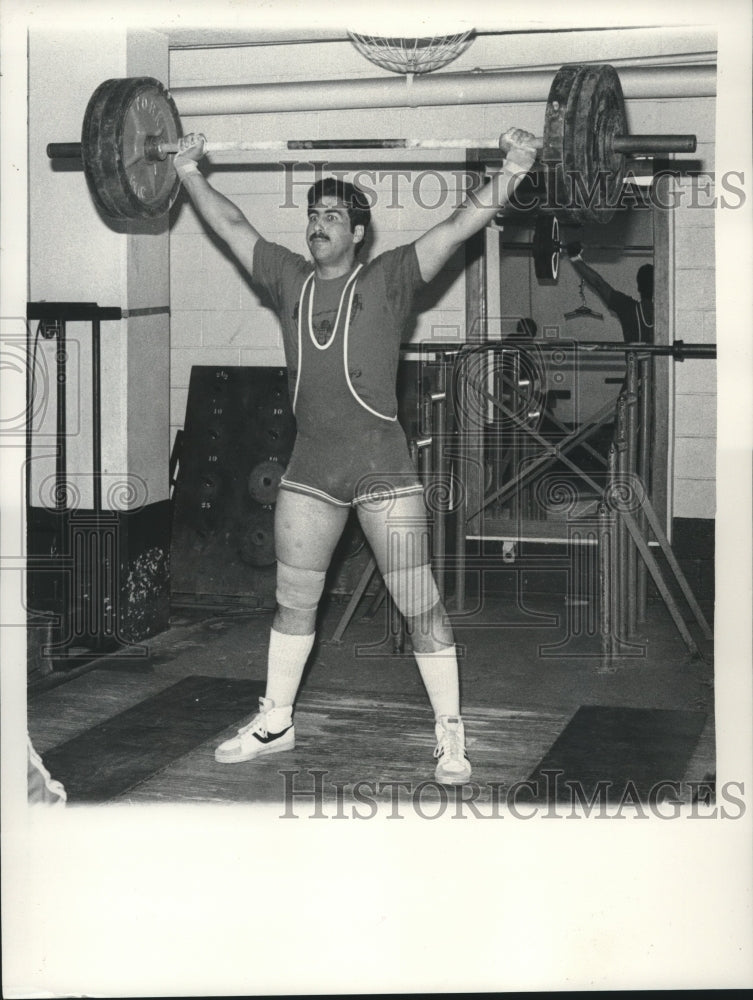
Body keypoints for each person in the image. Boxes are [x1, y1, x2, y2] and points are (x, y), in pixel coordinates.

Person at [173, 128, 537, 785]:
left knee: (419, 605)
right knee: (293, 601)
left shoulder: (392, 276)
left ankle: (449, 733)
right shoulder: (288, 279)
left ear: (358, 234)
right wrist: (187, 169)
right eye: (312, 215)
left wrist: (514, 166)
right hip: (310, 470)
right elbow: (230, 224)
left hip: (380, 471)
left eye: (332, 216)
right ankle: (276, 720)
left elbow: (457, 226)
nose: (318, 225)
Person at [565, 243, 654, 344]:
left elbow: (598, 284)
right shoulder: (668, 311)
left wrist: (574, 257)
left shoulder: (628, 308)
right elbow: (598, 283)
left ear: (638, 287)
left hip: (637, 359)